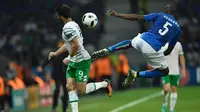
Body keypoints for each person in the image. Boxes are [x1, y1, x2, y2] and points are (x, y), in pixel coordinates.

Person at [92, 4, 180, 86]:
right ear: (175, 14)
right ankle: (135, 74)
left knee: (130, 42)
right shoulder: (177, 29)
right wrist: (160, 55)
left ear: (165, 11)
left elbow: (137, 17)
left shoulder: (159, 15)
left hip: (141, 39)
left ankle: (108, 50)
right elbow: (169, 50)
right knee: (164, 71)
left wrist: (117, 14)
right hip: (153, 48)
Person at [48, 4, 112, 112]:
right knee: (69, 86)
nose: (58, 18)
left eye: (58, 16)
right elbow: (69, 44)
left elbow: (75, 45)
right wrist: (56, 53)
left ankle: (105, 84)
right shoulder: (74, 24)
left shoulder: (67, 28)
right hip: (74, 61)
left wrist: (69, 57)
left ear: (61, 16)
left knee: (81, 90)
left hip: (81, 60)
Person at [38, 40, 69, 112]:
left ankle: (65, 108)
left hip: (65, 74)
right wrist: (42, 67)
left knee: (65, 91)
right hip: (57, 74)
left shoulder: (66, 52)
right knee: (57, 90)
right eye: (60, 44)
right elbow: (47, 59)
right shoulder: (55, 52)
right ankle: (54, 107)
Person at [161, 42, 186, 112]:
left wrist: (183, 68)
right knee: (166, 89)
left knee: (174, 89)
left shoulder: (178, 44)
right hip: (165, 70)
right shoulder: (163, 44)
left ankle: (171, 109)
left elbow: (181, 56)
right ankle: (164, 104)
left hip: (175, 71)